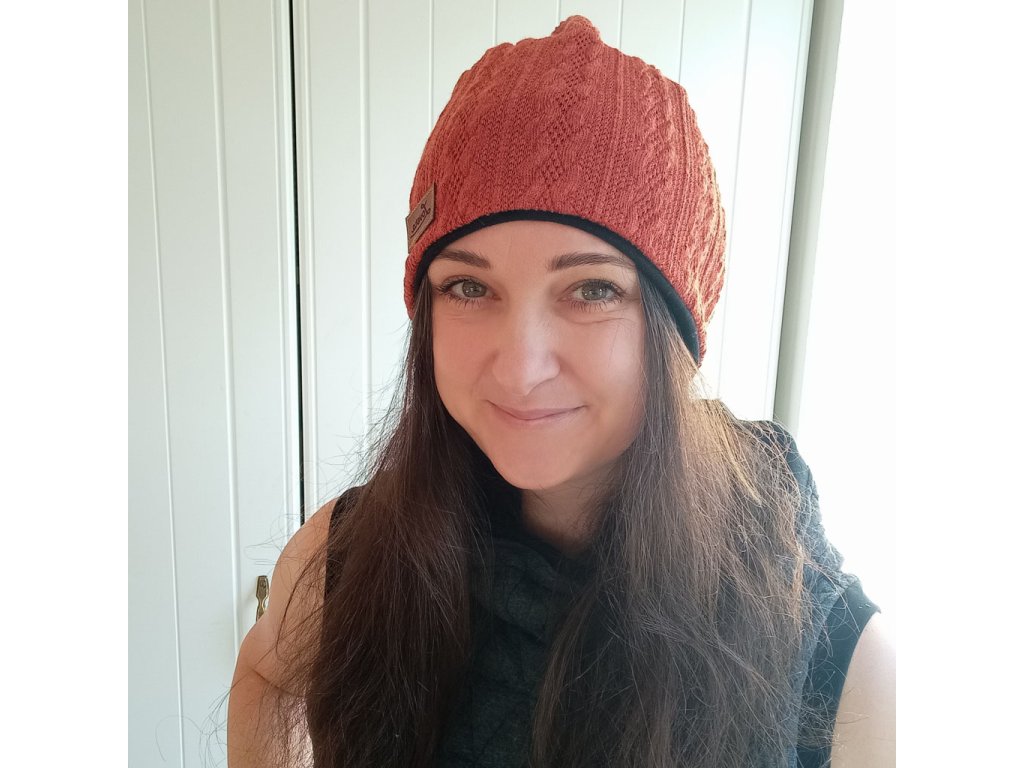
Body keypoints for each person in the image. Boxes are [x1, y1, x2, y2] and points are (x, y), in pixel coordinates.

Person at [227, 15, 895, 768]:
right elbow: (265, 674)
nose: (520, 368)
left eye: (592, 289)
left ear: (676, 332)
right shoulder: (353, 556)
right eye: (469, 286)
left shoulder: (828, 654)